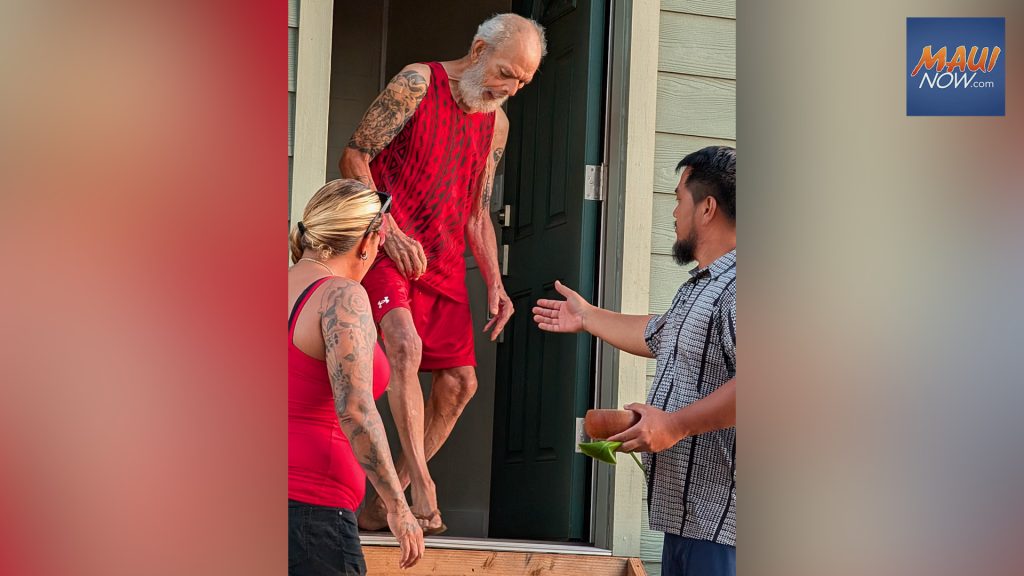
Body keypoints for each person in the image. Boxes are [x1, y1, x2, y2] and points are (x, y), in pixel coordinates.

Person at [339, 13, 546, 534]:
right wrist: (388, 226)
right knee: (404, 347)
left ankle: (386, 501)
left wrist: (496, 284)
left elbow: (478, 212)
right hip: (387, 246)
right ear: (478, 50)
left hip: (444, 260)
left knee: (459, 383)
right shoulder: (416, 82)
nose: (511, 89)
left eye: (522, 81)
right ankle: (423, 487)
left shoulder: (495, 122)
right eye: (507, 73)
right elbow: (355, 157)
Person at [533, 146, 738, 576]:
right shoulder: (703, 286)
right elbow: (659, 334)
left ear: (707, 209)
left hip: (726, 530)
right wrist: (586, 316)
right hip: (690, 523)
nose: (673, 213)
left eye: (678, 199)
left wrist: (674, 425)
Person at [288, 179, 424, 575]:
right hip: (311, 519)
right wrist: (399, 507)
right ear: (365, 242)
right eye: (381, 239)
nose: (380, 248)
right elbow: (356, 409)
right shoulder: (341, 296)